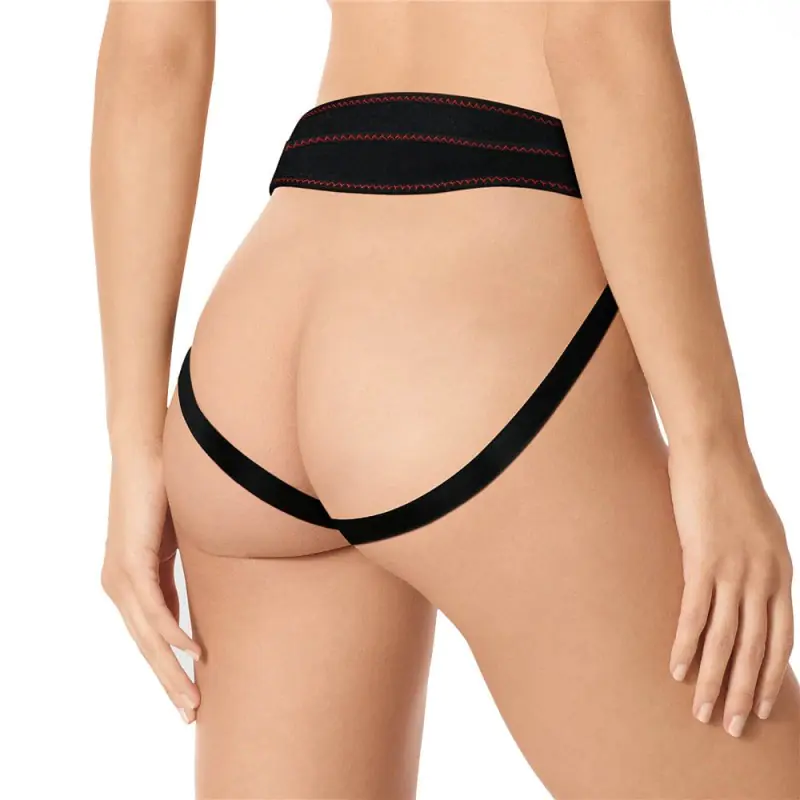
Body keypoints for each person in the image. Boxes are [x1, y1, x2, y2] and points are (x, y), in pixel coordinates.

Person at [91, 1, 799, 797]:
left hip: (255, 346)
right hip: (478, 316)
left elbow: (154, 49)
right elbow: (597, 35)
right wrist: (711, 441)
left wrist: (135, 446)